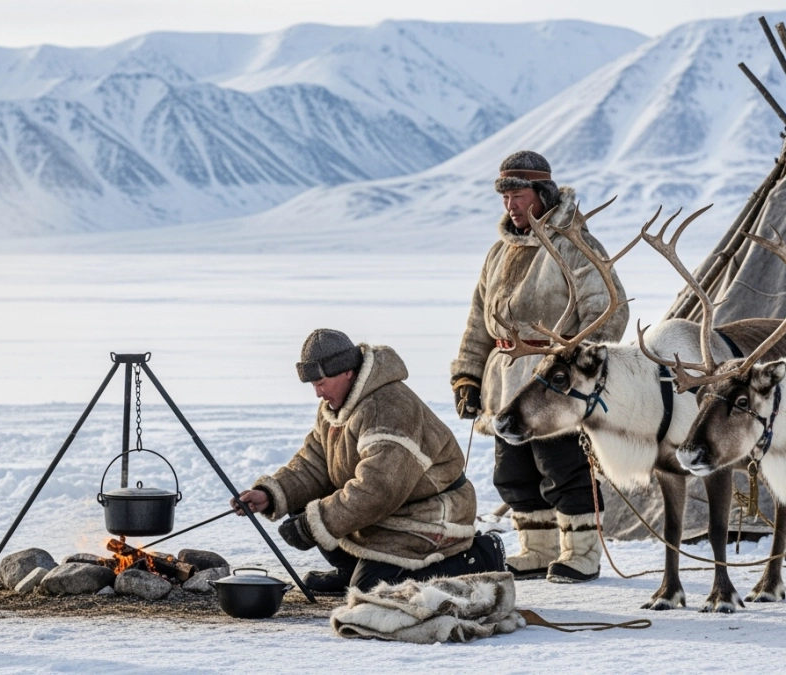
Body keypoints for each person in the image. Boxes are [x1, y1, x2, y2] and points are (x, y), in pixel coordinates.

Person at [450, 150, 628, 583]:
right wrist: (468, 376)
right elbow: (479, 321)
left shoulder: (574, 244)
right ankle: (537, 549)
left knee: (562, 466)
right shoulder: (499, 252)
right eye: (504, 197)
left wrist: (576, 370)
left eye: (518, 195)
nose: (510, 205)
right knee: (512, 471)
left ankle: (582, 553)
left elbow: (609, 311)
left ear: (542, 193)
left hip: (555, 382)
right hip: (504, 376)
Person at [232, 329, 504, 594]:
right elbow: (314, 463)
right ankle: (350, 568)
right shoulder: (335, 406)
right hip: (389, 511)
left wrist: (315, 523)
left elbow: (378, 489)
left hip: (429, 516)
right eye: (314, 385)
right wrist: (270, 493)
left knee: (370, 590)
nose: (317, 393)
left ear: (347, 372)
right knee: (301, 502)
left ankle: (480, 555)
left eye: (321, 383)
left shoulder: (387, 408)